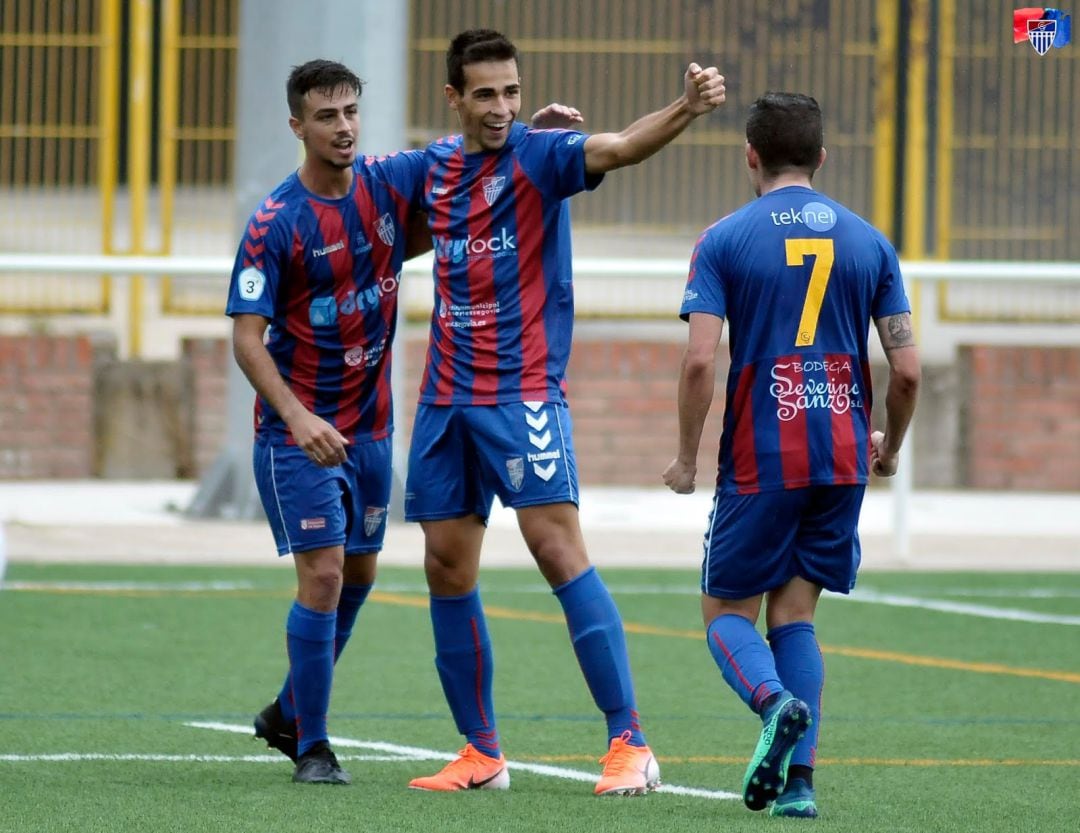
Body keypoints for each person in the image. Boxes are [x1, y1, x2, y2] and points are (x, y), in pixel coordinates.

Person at [228, 59, 587, 786]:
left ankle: (290, 707)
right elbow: (244, 336)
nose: (344, 127)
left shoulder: (385, 189)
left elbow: (462, 211)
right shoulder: (275, 222)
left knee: (358, 572)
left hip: (372, 425)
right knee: (325, 572)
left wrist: (527, 148)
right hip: (298, 435)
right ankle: (314, 746)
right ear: (298, 126)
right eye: (326, 117)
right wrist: (296, 417)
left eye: (351, 111)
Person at [403, 29, 726, 796]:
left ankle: (630, 742)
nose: (501, 107)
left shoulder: (541, 155)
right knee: (446, 566)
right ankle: (480, 751)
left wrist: (684, 107)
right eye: (485, 93)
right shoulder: (431, 169)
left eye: (510, 92)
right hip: (444, 398)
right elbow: (385, 213)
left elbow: (616, 148)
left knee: (557, 550)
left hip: (522, 394)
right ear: (453, 97)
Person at [663, 92, 921, 818]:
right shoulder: (871, 242)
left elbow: (697, 363)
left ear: (750, 154)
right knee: (797, 613)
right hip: (841, 453)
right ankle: (800, 786)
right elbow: (906, 371)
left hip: (763, 453)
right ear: (822, 156)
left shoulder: (724, 239)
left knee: (725, 614)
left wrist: (686, 459)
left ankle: (775, 702)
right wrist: (890, 447)